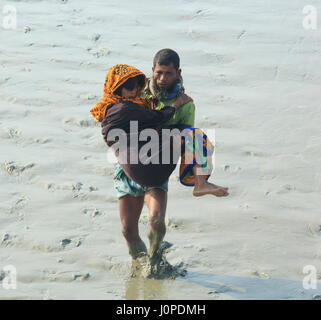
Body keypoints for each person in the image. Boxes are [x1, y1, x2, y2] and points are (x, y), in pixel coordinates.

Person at [90, 64, 229, 268]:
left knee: (156, 221)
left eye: (137, 83)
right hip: (127, 169)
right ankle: (138, 265)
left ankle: (154, 261)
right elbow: (148, 119)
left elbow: (185, 137)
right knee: (128, 229)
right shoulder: (127, 105)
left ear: (178, 74)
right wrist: (173, 105)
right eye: (129, 85)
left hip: (156, 160)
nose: (135, 88)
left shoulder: (178, 104)